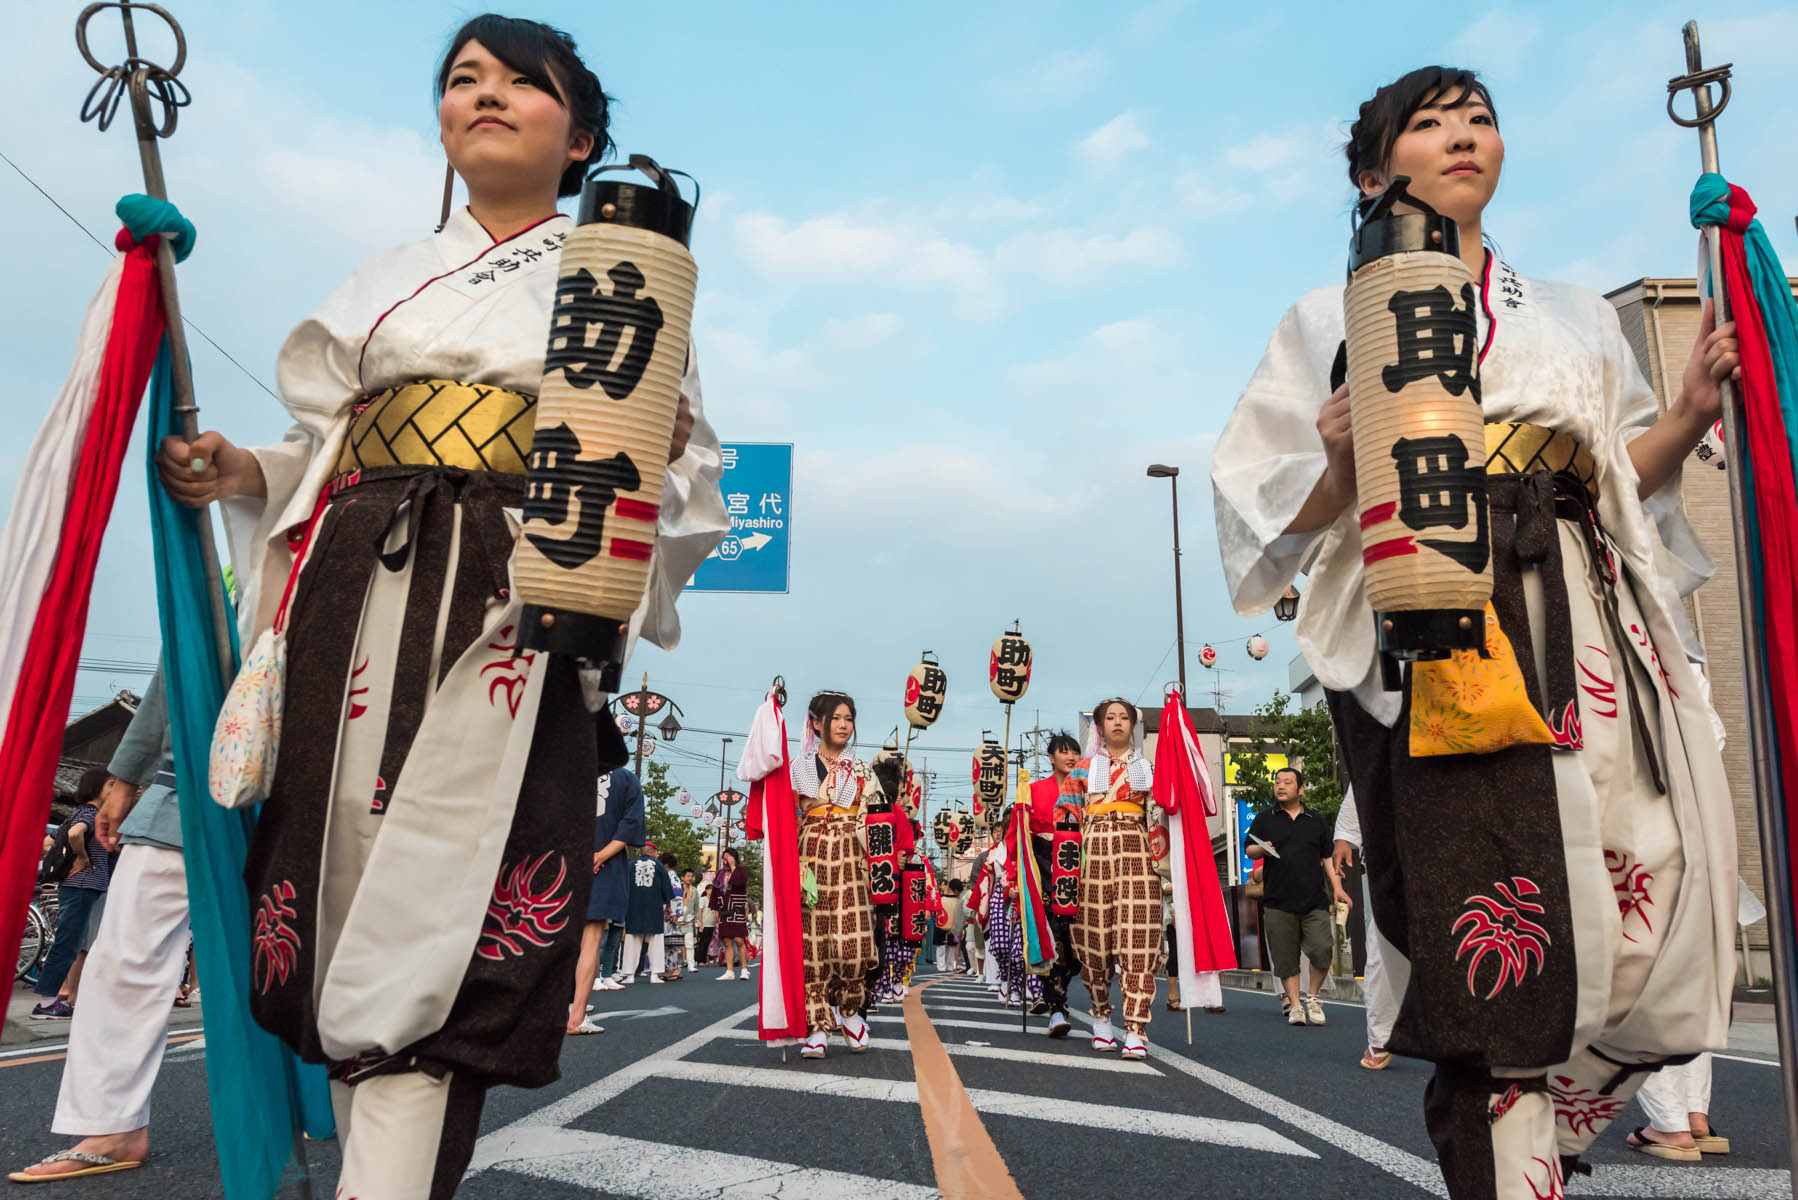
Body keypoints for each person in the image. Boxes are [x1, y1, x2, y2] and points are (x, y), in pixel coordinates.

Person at [154, 16, 726, 1195]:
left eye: (523, 82)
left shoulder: (620, 281)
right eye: (463, 79)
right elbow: (328, 448)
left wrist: (654, 453)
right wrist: (242, 474)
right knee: (338, 869)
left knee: (456, 886)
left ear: (582, 142)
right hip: (356, 586)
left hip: (504, 594)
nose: (486, 95)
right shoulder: (384, 281)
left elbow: (683, 485)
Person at [1210, 65, 1739, 1195]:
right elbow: (1267, 510)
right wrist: (1345, 455)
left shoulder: (1570, 312)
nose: (1463, 137)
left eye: (1480, 118)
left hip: (1581, 612)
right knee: (1488, 934)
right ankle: (1504, 1159)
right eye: (1429, 123)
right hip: (1441, 627)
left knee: (1649, 894)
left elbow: (1613, 481)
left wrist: (1688, 410)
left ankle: (1561, 1114)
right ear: (1372, 172)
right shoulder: (1324, 319)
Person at [11, 664, 187, 1181]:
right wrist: (126, 775)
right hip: (185, 788)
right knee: (121, 960)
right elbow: (175, 663)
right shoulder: (217, 580)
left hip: (314, 786)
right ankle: (114, 1125)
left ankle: (324, 1100)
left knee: (302, 957)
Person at [788, 692, 877, 1059]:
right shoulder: (797, 767)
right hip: (809, 857)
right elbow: (785, 819)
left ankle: (850, 1008)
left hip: (852, 857)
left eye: (849, 718)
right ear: (817, 722)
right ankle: (816, 1024)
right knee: (813, 944)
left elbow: (876, 820)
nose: (843, 725)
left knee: (852, 943)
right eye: (836, 718)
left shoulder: (862, 769)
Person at [1071, 699, 1160, 1061]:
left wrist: (1166, 865)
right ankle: (1102, 1020)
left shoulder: (1148, 768)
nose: (1118, 723)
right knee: (1093, 939)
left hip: (1137, 852)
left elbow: (1160, 815)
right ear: (1100, 726)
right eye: (1111, 718)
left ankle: (1136, 1029)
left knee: (1139, 937)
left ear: (1133, 725)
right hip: (1092, 855)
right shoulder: (1083, 768)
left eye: (1124, 717)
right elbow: (1068, 819)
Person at [1246, 768, 1349, 1028]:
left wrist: (1337, 887)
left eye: (1288, 782)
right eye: (1277, 782)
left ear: (1300, 789)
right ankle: (1294, 1005)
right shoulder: (1264, 818)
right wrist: (1263, 850)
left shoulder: (1315, 821)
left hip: (1314, 899)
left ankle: (1312, 996)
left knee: (1322, 950)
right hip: (1278, 901)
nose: (1281, 786)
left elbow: (1327, 858)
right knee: (1285, 958)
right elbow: (1249, 849)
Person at [31, 769, 112, 1020]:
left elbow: (47, 841)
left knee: (70, 942)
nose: (114, 790)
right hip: (82, 886)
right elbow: (75, 833)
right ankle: (47, 1003)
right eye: (111, 785)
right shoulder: (91, 813)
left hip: (78, 885)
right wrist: (82, 858)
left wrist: (67, 861)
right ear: (97, 787)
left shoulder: (78, 812)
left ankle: (51, 999)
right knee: (67, 943)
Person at [1024, 732, 1085, 1037]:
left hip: (1081, 863)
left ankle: (1061, 995)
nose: (1071, 757)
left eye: (1075, 752)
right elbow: (1020, 838)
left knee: (1078, 941)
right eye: (1064, 752)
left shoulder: (1088, 787)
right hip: (1046, 865)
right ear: (1051, 758)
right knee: (1053, 935)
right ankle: (1055, 1005)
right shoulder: (1033, 790)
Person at [1332, 787, 1394, 1069]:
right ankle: (1381, 1038)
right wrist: (1345, 833)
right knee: (1384, 942)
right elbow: (1366, 768)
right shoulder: (1387, 739)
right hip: (1394, 846)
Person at [618, 846, 675, 984]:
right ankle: (655, 974)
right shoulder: (659, 866)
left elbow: (622, 886)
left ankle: (629, 975)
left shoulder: (630, 865)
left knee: (632, 939)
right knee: (656, 939)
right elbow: (666, 887)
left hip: (633, 907)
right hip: (653, 907)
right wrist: (668, 905)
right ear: (653, 852)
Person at [709, 849, 752, 980]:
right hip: (724, 910)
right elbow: (716, 892)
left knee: (739, 939)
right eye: (724, 857)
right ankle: (729, 971)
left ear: (734, 857)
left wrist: (733, 867)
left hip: (737, 909)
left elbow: (739, 882)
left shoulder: (740, 871)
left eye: (728, 856)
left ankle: (744, 970)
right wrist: (716, 909)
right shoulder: (721, 874)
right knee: (726, 940)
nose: (726, 859)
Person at [676, 867, 699, 973]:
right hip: (677, 920)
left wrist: (696, 919)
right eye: (688, 876)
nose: (690, 878)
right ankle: (674, 966)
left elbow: (696, 907)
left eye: (691, 876)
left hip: (689, 920)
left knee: (689, 943)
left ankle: (691, 965)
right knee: (674, 944)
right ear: (683, 877)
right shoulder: (677, 888)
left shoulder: (694, 890)